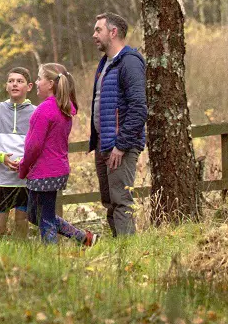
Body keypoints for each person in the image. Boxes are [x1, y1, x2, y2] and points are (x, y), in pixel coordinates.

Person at [18, 63, 99, 246]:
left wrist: (23, 167)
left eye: (39, 78)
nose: (37, 82)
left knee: (43, 217)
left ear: (50, 84)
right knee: (35, 214)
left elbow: (34, 147)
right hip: (57, 169)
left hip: (43, 172)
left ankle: (52, 259)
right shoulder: (63, 108)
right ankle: (83, 238)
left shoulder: (44, 110)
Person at [88, 13, 147, 236]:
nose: (94, 35)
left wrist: (121, 145)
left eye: (98, 30)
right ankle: (118, 254)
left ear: (113, 32)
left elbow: (139, 108)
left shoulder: (129, 62)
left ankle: (129, 254)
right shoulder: (106, 63)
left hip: (120, 146)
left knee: (121, 201)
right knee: (109, 201)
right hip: (104, 144)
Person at [0, 67, 36, 236]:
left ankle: (20, 261)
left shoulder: (36, 112)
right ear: (6, 86)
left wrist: (26, 162)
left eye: (20, 81)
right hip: (2, 180)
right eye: (11, 81)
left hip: (25, 180)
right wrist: (1, 156)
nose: (14, 84)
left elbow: (39, 146)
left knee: (21, 227)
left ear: (29, 87)